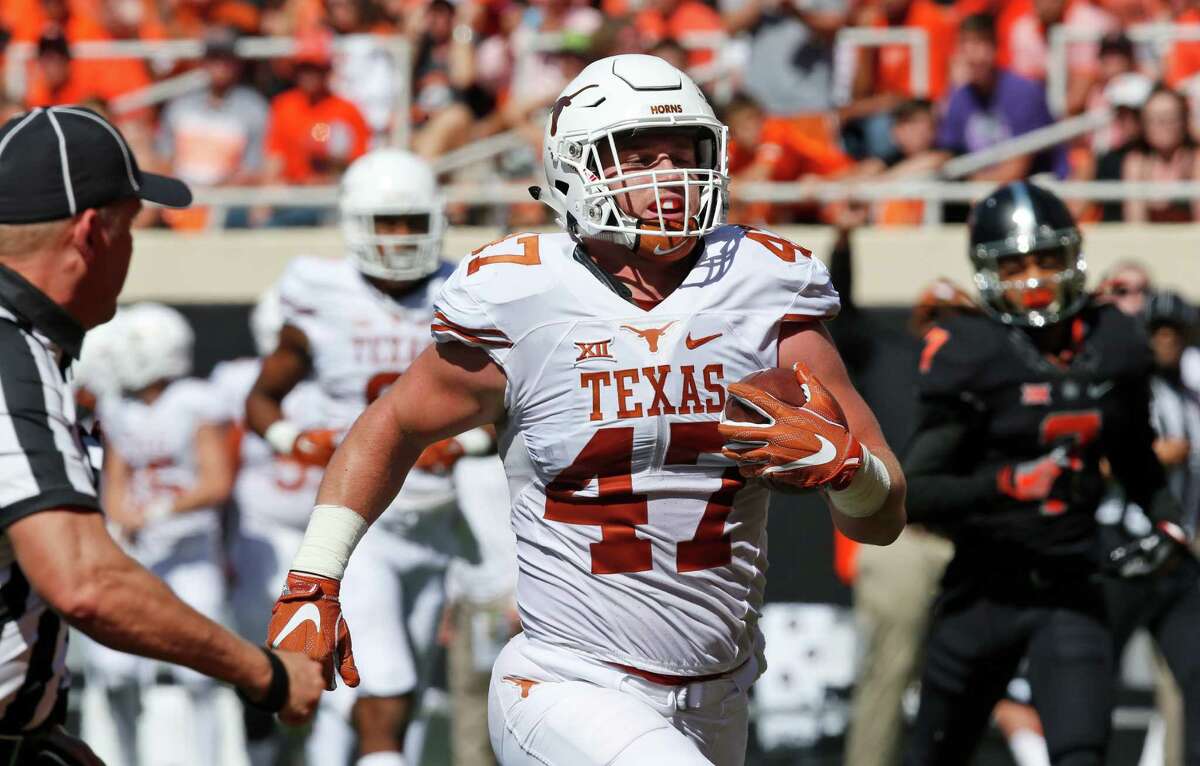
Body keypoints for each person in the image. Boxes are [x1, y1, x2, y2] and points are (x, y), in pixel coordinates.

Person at [267, 53, 905, 765]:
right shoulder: (523, 297)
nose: (670, 176)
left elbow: (883, 518)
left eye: (683, 152)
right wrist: (314, 576)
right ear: (578, 169)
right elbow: (390, 425)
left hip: (718, 690)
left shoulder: (763, 286)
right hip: (569, 682)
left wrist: (849, 474)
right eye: (639, 156)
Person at [0, 105, 322, 763]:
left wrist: (34, 727)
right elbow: (85, 582)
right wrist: (264, 674)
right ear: (92, 232)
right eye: (132, 226)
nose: (133, 248)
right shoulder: (11, 355)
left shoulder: (31, 348)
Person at [902, 180, 1189, 766]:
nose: (1033, 279)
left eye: (1046, 260)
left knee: (1083, 752)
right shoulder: (971, 349)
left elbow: (1136, 458)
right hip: (981, 588)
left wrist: (1167, 523)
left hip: (1071, 585)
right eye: (1016, 265)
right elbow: (918, 494)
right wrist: (1004, 486)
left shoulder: (1114, 340)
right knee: (935, 754)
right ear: (988, 273)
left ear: (1073, 257)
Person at [247, 148, 490, 766]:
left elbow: (511, 408)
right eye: (387, 222)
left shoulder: (463, 290)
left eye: (412, 221)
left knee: (394, 700)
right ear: (356, 224)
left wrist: (460, 443)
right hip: (361, 522)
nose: (402, 237)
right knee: (387, 687)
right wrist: (298, 442)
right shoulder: (320, 294)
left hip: (436, 522)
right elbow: (264, 400)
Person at [86, 302, 235, 766]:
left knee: (199, 674)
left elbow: (216, 482)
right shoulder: (117, 407)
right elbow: (116, 479)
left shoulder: (194, 400)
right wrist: (120, 520)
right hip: (142, 555)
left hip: (191, 553)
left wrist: (155, 512)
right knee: (116, 671)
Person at [211, 288, 327, 766]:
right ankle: (259, 752)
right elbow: (224, 463)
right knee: (258, 657)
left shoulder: (333, 383)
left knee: (328, 655)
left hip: (322, 535)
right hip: (260, 535)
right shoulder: (235, 380)